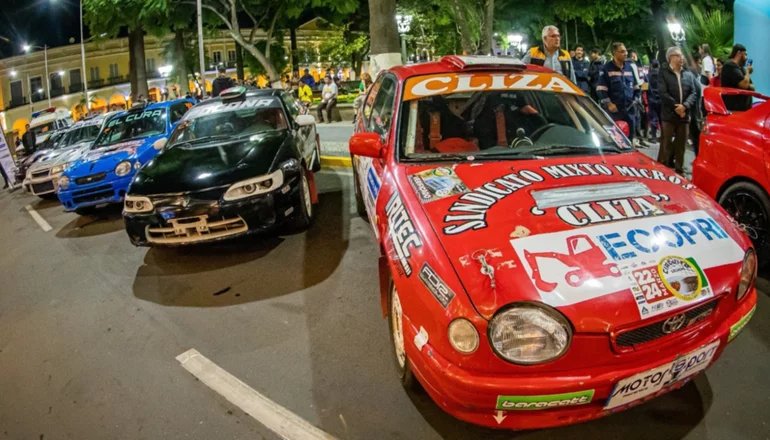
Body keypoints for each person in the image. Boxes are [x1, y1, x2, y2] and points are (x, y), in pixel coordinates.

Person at [657, 46, 697, 174]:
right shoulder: (663, 73)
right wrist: (677, 107)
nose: (682, 58)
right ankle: (663, 169)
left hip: (684, 115)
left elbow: (693, 93)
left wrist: (684, 106)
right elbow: (663, 93)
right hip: (669, 115)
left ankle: (679, 169)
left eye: (682, 56)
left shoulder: (688, 74)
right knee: (666, 144)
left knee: (681, 144)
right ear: (671, 57)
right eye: (679, 56)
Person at [596, 42, 639, 142]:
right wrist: (609, 104)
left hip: (629, 110)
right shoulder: (606, 68)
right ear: (615, 53)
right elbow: (600, 90)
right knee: (615, 140)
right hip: (614, 111)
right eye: (622, 51)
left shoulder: (629, 67)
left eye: (626, 51)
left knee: (630, 140)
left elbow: (636, 87)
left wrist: (636, 100)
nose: (626, 53)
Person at [721, 44, 754, 111]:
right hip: (734, 110)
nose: (746, 57)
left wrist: (748, 85)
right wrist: (747, 72)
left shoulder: (741, 68)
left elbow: (753, 87)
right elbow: (744, 85)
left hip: (744, 110)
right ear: (739, 53)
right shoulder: (730, 66)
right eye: (745, 54)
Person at [647, 60, 662, 141]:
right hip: (661, 99)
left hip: (651, 99)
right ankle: (664, 136)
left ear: (651, 66)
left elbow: (645, 87)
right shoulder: (662, 75)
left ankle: (653, 137)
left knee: (653, 118)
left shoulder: (648, 75)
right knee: (661, 118)